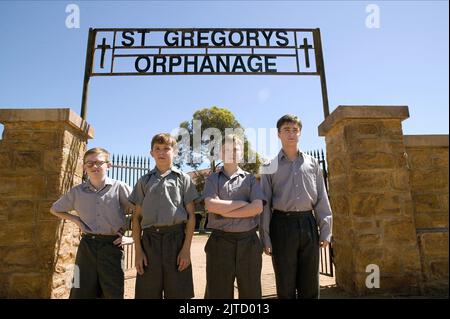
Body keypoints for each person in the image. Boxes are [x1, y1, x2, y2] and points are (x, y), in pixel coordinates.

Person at [259, 114, 332, 299]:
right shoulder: (269, 166)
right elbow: (265, 205)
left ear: (300, 134)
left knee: (310, 283)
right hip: (281, 225)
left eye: (295, 130)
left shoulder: (313, 163)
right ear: (278, 134)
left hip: (308, 224)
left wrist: (325, 230)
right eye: (286, 130)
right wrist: (265, 238)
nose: (291, 134)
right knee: (285, 283)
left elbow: (322, 198)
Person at [50, 147, 133, 299]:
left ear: (109, 165)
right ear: (84, 167)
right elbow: (55, 209)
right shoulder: (77, 192)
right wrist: (77, 220)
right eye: (89, 163)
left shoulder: (120, 187)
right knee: (80, 290)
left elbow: (140, 211)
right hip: (87, 246)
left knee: (112, 292)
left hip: (112, 245)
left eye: (99, 162)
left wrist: (131, 237)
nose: (94, 166)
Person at [129, 133, 199, 299]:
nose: (161, 152)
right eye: (157, 149)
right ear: (151, 153)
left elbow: (191, 216)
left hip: (176, 241)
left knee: (179, 293)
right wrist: (139, 252)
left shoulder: (184, 179)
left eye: (166, 148)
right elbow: (136, 219)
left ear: (174, 151)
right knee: (148, 293)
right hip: (150, 242)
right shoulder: (144, 181)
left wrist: (186, 250)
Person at [203, 134, 266, 299]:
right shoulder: (212, 179)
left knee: (251, 292)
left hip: (249, 243)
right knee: (218, 292)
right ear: (221, 154)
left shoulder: (251, 179)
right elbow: (210, 205)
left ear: (241, 154)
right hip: (219, 243)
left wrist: (223, 210)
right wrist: (243, 204)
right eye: (226, 149)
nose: (231, 152)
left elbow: (257, 207)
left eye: (235, 149)